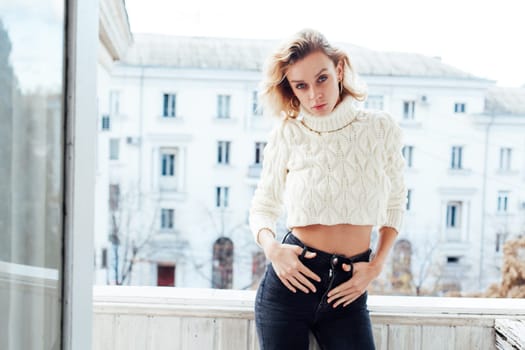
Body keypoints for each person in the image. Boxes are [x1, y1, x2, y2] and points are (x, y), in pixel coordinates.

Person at [249, 28, 407, 350]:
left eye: (321, 79)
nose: (314, 96)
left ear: (338, 70)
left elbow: (395, 202)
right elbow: (263, 207)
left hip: (349, 290)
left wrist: (375, 266)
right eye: (301, 86)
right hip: (289, 288)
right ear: (291, 88)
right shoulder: (288, 133)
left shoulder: (380, 128)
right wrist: (273, 249)